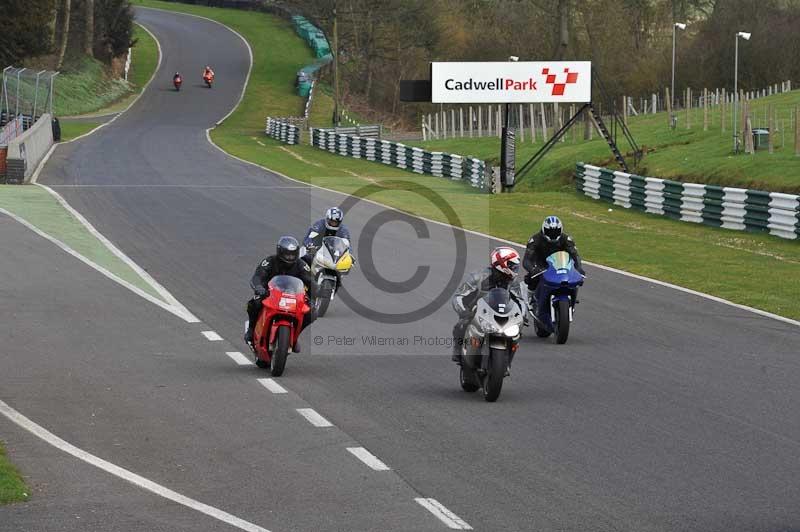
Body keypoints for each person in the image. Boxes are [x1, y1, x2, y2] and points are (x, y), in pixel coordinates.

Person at [451, 247, 525, 363]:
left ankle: (507, 362)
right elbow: (458, 296)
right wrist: (464, 312)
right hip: (476, 313)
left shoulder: (513, 282)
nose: (515, 269)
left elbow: (520, 300)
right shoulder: (478, 277)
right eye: (512, 265)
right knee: (460, 325)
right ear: (502, 263)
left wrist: (522, 315)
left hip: (503, 313)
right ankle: (458, 352)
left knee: (517, 334)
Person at [244, 236, 317, 352]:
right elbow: (257, 276)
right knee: (255, 302)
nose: (290, 257)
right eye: (287, 254)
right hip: (270, 293)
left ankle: (295, 337)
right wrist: (259, 287)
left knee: (312, 312)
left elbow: (311, 282)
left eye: (293, 254)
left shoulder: (301, 265)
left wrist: (316, 294)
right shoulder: (269, 261)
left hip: (294, 296)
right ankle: (251, 330)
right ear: (280, 252)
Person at [523, 216, 585, 300]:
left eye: (556, 231)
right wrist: (533, 270)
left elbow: (575, 255)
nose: (553, 234)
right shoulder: (535, 240)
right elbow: (526, 260)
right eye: (550, 232)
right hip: (542, 267)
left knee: (576, 281)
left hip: (561, 267)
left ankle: (572, 299)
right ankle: (529, 300)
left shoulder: (566, 239)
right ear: (544, 230)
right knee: (532, 279)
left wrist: (578, 268)